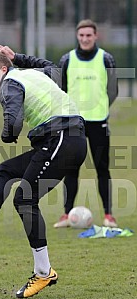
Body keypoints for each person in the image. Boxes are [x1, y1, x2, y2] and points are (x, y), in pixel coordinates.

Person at [0, 49, 87, 298]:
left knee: (25, 199)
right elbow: (52, 67)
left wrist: (8, 134)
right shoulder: (31, 74)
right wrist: (18, 57)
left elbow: (13, 119)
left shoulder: (10, 83)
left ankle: (44, 273)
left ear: (2, 70)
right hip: (66, 139)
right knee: (4, 171)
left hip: (62, 138)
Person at [53, 19, 118, 228]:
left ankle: (108, 215)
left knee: (102, 168)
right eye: (81, 35)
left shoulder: (106, 59)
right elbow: (60, 89)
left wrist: (101, 107)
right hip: (73, 122)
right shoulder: (67, 60)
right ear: (77, 36)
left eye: (89, 35)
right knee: (71, 169)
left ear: (95, 36)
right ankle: (66, 214)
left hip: (99, 121)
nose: (85, 39)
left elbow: (113, 90)